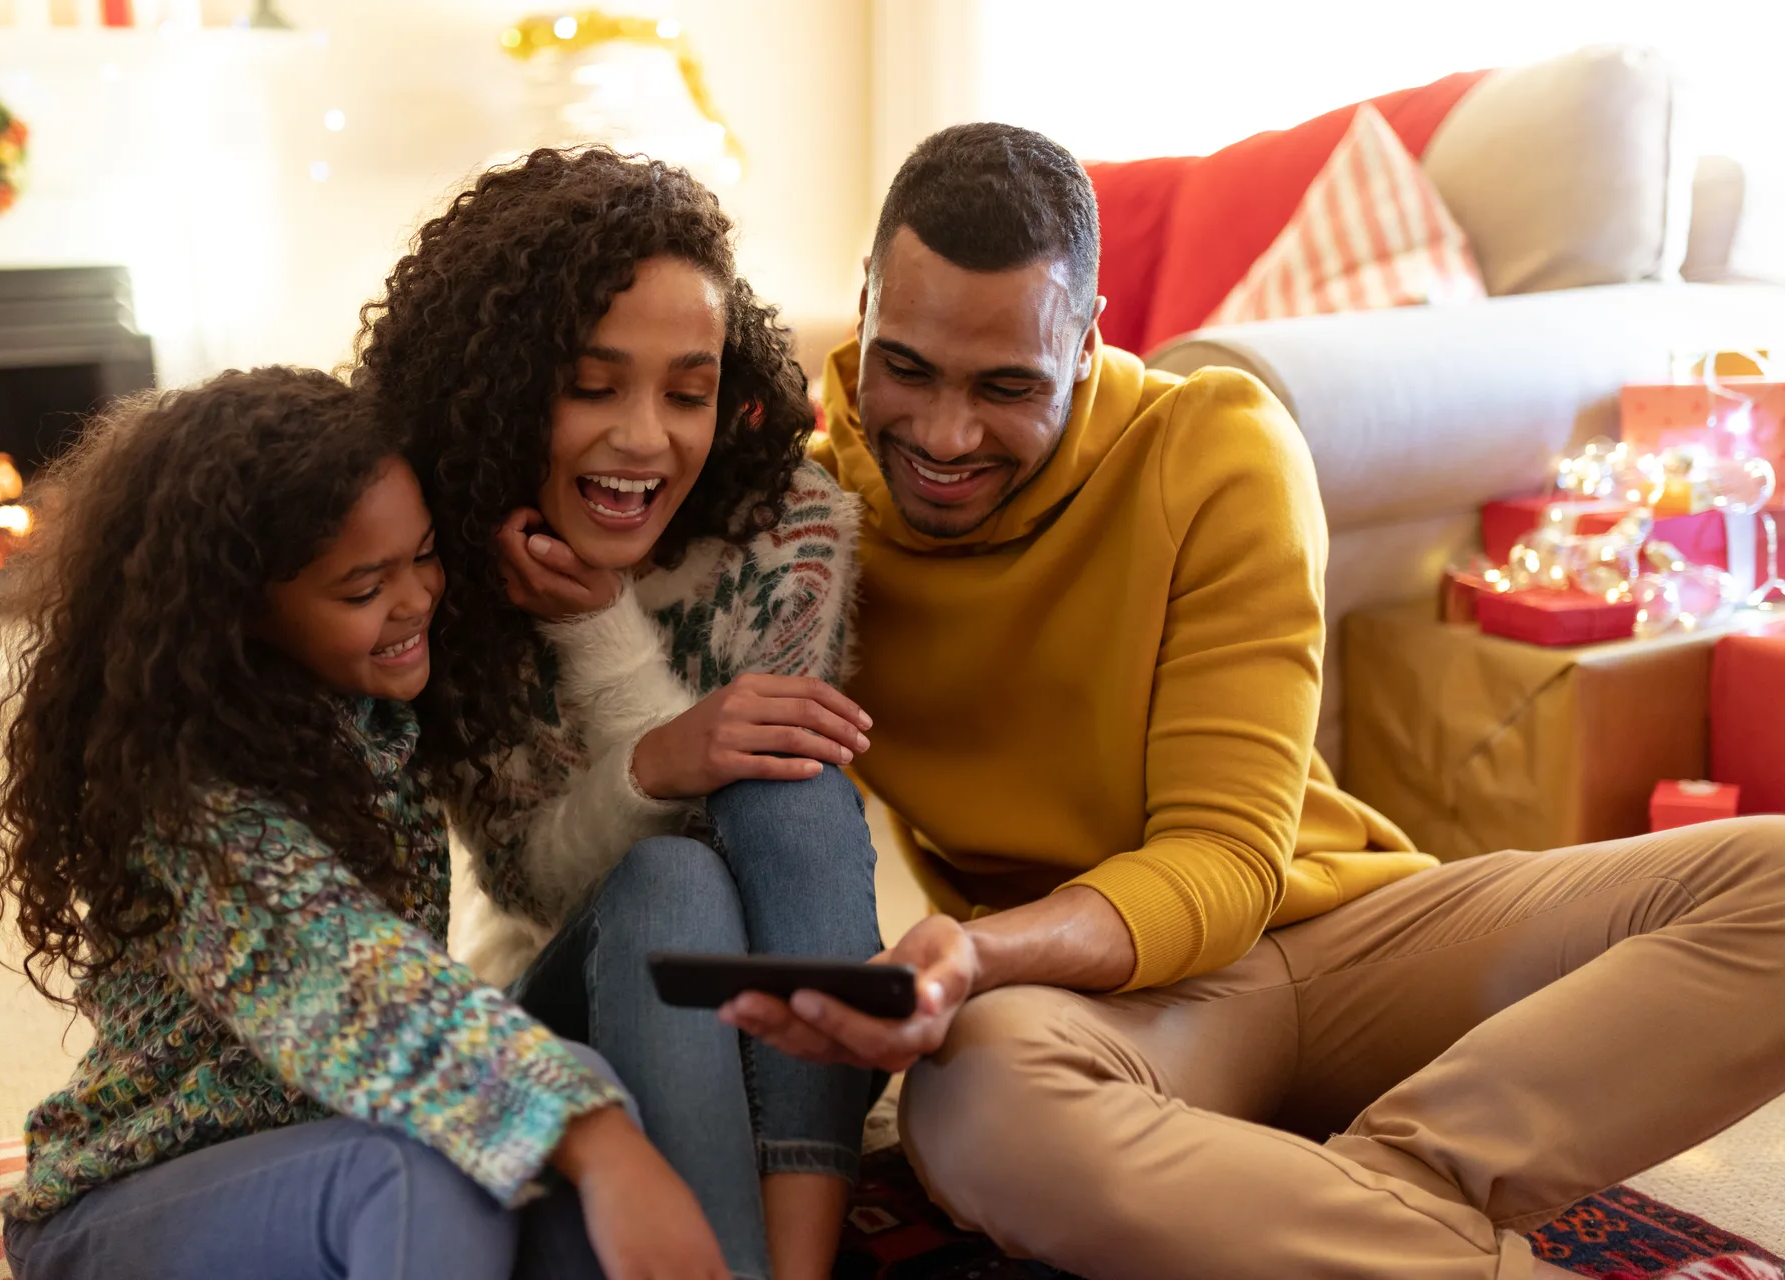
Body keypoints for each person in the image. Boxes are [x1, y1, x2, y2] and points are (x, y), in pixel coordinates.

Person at [723, 122, 1785, 1280]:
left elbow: (1226, 859)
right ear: (868, 305)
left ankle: (1379, 1191)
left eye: (1006, 386)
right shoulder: (810, 521)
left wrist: (976, 952)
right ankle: (1450, 1249)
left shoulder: (1213, 442)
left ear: (1086, 340)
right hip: (1102, 1012)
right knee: (976, 1108)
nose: (944, 433)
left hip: (1339, 935)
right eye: (908, 368)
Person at [0, 368, 729, 1280]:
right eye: (361, 587)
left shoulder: (373, 716)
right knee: (431, 1169)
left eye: (422, 556)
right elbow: (351, 977)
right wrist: (599, 1142)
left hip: (328, 1142)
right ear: (240, 616)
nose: (415, 598)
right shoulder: (181, 795)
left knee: (572, 1086)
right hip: (131, 1200)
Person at [355, 147, 880, 1280]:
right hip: (579, 992)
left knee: (793, 786)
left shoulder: (795, 530)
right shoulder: (447, 570)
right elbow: (531, 884)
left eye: (686, 391)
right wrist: (642, 721)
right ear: (501, 392)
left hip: (782, 1012)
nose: (645, 438)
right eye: (593, 386)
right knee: (667, 880)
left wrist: (610, 638)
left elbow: (780, 856)